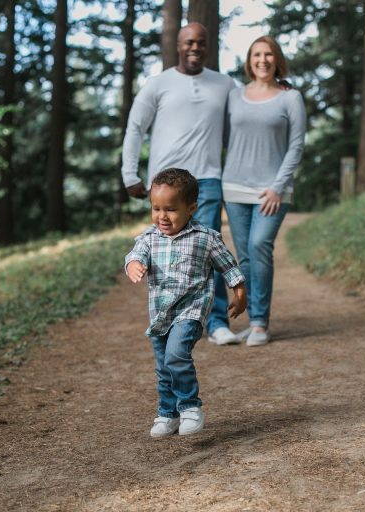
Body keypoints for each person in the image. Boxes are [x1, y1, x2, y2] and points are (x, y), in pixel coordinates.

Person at [121, 22, 241, 345]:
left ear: (208, 47)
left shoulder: (225, 84)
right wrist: (130, 175)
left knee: (209, 249)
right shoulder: (157, 84)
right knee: (166, 253)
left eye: (201, 42)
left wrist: (278, 86)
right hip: (165, 184)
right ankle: (173, 318)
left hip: (208, 179)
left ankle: (216, 323)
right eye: (189, 42)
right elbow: (135, 128)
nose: (195, 47)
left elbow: (242, 123)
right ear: (178, 45)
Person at [125, 169, 247, 437]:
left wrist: (240, 293)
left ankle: (190, 407)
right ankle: (168, 414)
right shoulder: (149, 238)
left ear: (191, 208)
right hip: (160, 314)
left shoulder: (205, 238)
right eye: (156, 209)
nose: (162, 216)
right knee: (163, 366)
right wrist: (133, 264)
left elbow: (229, 267)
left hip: (191, 310)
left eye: (170, 209)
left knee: (176, 355)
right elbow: (135, 255)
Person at [222, 35, 306, 347]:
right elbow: (227, 138)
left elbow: (296, 146)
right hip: (234, 186)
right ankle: (253, 320)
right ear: (249, 60)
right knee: (244, 256)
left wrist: (277, 186)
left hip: (273, 190)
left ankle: (260, 324)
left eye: (268, 54)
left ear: (277, 60)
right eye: (256, 54)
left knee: (259, 245)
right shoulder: (234, 96)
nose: (262, 60)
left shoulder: (290, 98)